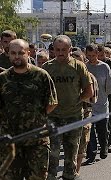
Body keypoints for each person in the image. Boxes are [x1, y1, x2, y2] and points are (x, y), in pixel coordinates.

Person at [0, 39, 58, 179]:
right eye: (13, 53)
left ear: (28, 53)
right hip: (10, 143)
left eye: (21, 53)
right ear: (9, 55)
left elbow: (52, 103)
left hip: (36, 142)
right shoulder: (3, 79)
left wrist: (36, 118)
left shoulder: (41, 76)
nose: (17, 56)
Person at [43, 35, 93, 180]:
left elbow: (89, 91)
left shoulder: (78, 66)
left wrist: (77, 100)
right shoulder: (47, 67)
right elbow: (41, 91)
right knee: (52, 153)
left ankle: (69, 176)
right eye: (57, 49)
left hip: (74, 116)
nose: (60, 53)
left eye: (64, 50)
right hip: (53, 117)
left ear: (70, 49)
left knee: (71, 154)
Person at [84, 44, 111, 164]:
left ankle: (104, 148)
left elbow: (109, 87)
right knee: (90, 132)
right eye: (89, 55)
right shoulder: (84, 67)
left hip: (102, 103)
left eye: (94, 55)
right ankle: (91, 154)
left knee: (102, 130)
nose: (91, 58)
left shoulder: (105, 67)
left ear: (98, 54)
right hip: (89, 105)